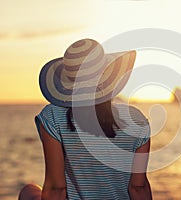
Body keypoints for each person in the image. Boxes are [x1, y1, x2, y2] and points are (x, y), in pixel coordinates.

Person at [18, 39, 152, 200]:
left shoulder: (52, 116)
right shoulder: (137, 120)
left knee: (28, 191)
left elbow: (56, 188)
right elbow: (138, 187)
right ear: (107, 76)